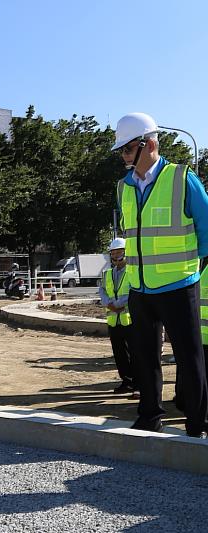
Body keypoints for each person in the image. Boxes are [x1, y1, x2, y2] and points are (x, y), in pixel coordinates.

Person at [114, 112, 208, 438]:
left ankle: (196, 425)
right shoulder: (123, 187)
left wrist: (199, 269)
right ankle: (149, 416)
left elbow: (206, 227)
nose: (124, 157)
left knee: (189, 357)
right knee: (144, 357)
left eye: (128, 149)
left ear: (149, 144)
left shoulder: (182, 178)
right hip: (140, 286)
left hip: (179, 284)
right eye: (122, 151)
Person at [99, 237, 135, 395]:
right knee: (119, 354)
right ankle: (126, 381)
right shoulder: (107, 273)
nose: (116, 256)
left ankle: (138, 383)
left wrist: (119, 304)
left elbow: (134, 291)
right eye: (113, 253)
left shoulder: (132, 271)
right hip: (114, 320)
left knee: (135, 353)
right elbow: (102, 290)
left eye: (119, 252)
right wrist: (108, 303)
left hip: (129, 320)